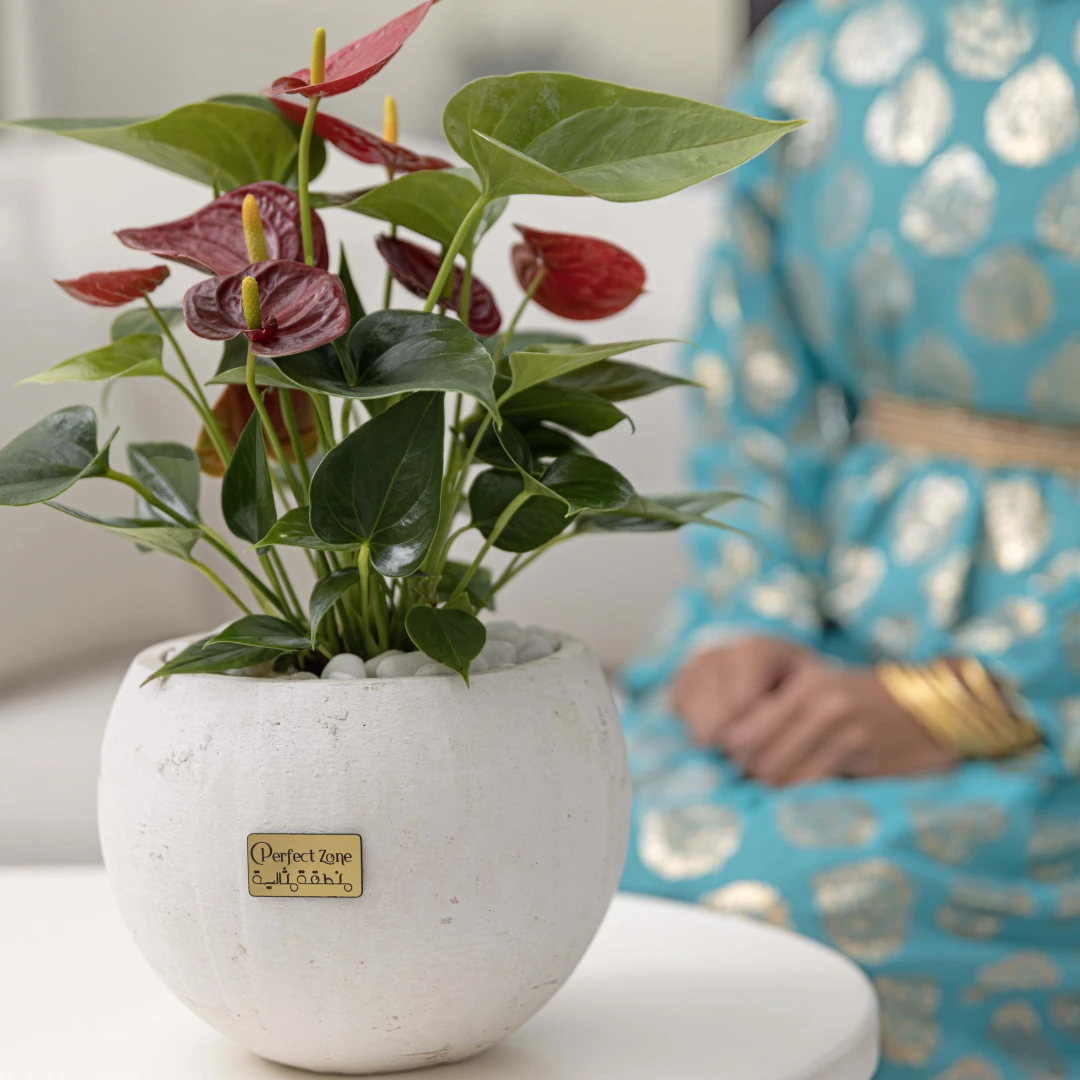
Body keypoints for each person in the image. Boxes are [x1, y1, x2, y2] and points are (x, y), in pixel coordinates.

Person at [618, 0, 1080, 1076]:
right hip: (828, 643)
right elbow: (752, 385)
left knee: (768, 915)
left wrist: (974, 700)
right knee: (555, 850)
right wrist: (747, 622)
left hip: (1049, 703)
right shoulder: (816, 50)